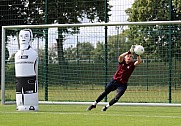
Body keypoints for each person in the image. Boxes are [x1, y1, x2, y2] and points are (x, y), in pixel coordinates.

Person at [87, 45, 142, 111]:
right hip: (114, 81)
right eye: (128, 56)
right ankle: (94, 104)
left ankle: (106, 107)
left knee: (117, 97)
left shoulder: (132, 65)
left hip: (123, 84)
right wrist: (128, 52)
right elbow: (121, 57)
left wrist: (138, 54)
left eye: (131, 57)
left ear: (132, 59)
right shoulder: (122, 62)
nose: (129, 57)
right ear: (125, 57)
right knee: (105, 92)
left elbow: (139, 62)